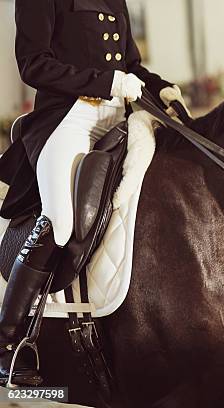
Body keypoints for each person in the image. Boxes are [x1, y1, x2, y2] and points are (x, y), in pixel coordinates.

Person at [0, 0, 190, 386]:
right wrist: (107, 83)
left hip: (115, 117)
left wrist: (159, 87)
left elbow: (129, 64)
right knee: (61, 220)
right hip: (68, 119)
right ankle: (7, 340)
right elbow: (33, 64)